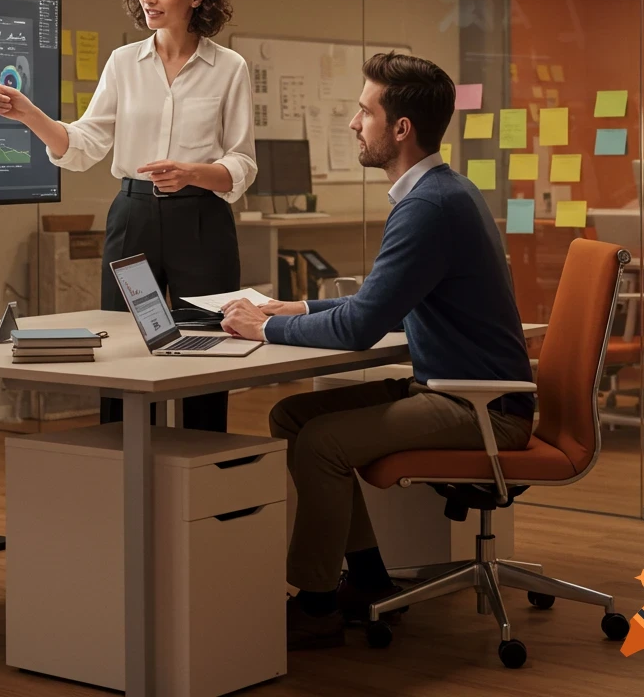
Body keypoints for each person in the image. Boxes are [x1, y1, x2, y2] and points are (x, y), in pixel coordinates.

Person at [221, 51, 534, 650]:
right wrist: (296, 309)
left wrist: (263, 330)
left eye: (364, 112)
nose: (352, 123)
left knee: (322, 442)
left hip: (481, 407)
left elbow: (360, 327)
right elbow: (376, 299)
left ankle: (316, 604)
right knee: (292, 416)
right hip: (459, 389)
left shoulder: (428, 207)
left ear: (401, 128)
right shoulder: (441, 192)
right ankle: (367, 578)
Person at [0, 0, 256, 432]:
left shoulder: (229, 68)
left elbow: (241, 162)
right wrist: (30, 115)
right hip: (134, 218)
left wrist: (191, 172)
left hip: (202, 221)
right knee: (125, 346)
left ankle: (201, 462)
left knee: (209, 350)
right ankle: (123, 457)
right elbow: (84, 143)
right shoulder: (122, 63)